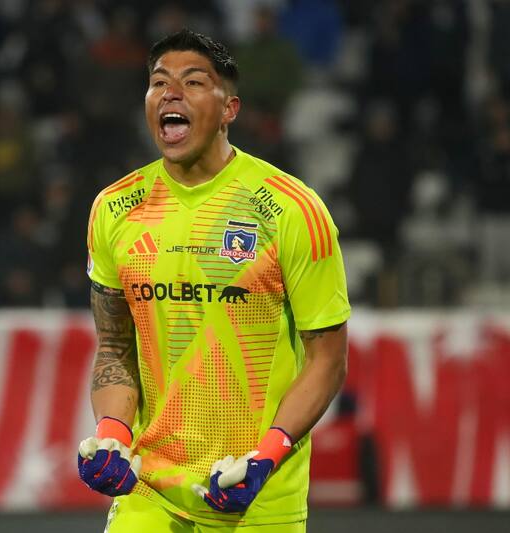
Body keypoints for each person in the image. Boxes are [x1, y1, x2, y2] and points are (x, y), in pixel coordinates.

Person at [78, 29, 350, 532]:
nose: (171, 94)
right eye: (159, 82)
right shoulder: (115, 209)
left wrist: (265, 457)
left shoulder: (291, 209)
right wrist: (113, 432)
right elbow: (115, 345)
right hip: (151, 491)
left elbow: (328, 359)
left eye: (193, 81)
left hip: (256, 497)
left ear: (229, 109)